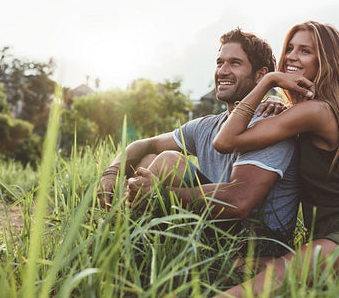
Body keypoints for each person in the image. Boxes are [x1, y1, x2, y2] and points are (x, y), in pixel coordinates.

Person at [98, 28, 312, 257]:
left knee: (168, 162)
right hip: (217, 229)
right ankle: (127, 244)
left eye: (235, 63)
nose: (223, 71)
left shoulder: (271, 123)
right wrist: (111, 173)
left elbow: (239, 202)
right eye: (219, 62)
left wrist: (159, 192)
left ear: (261, 75)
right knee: (148, 160)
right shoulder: (207, 126)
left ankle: (113, 246)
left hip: (255, 242)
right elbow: (147, 144)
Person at [212, 21, 339, 296]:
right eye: (290, 48)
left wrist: (269, 80)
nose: (292, 56)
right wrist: (281, 104)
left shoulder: (316, 112)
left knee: (247, 290)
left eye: (305, 51)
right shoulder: (309, 111)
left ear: (326, 62)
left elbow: (224, 141)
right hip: (327, 235)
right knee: (236, 265)